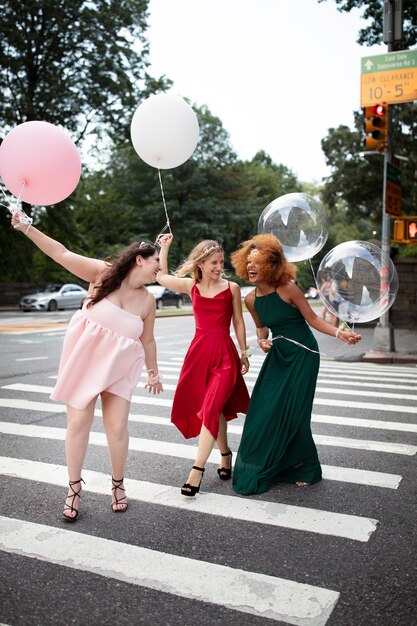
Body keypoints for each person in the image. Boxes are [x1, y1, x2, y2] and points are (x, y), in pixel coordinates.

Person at [11, 210, 163, 521]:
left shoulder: (149, 301)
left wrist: (153, 371)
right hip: (86, 362)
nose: (160, 268)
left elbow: (147, 340)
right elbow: (61, 252)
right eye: (157, 262)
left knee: (118, 428)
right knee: (78, 425)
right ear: (140, 260)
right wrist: (28, 228)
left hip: (120, 369)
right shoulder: (103, 274)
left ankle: (118, 485)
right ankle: (74, 488)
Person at [230, 234, 361, 495]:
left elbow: (312, 319)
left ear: (272, 265)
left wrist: (340, 333)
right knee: (262, 410)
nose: (252, 267)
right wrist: (262, 342)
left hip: (303, 355)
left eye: (258, 262)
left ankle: (307, 468)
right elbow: (261, 330)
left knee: (294, 413)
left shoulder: (288, 289)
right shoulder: (251, 300)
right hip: (278, 357)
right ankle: (272, 463)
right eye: (249, 262)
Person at [157, 234, 250, 496]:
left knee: (210, 409)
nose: (219, 267)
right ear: (200, 264)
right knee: (214, 409)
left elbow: (239, 322)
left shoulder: (231, 288)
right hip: (198, 356)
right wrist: (164, 247)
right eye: (213, 262)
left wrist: (245, 352)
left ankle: (197, 469)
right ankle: (225, 454)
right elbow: (161, 277)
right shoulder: (191, 286)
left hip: (224, 357)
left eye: (220, 262)